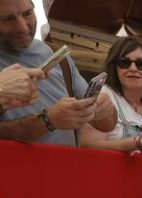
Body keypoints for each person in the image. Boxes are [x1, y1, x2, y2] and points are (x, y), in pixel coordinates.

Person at [0, 0, 116, 145]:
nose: (23, 27)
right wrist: (47, 121)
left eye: (27, 13)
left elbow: (105, 125)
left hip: (66, 166)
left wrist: (106, 110)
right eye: (8, 19)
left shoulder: (57, 55)